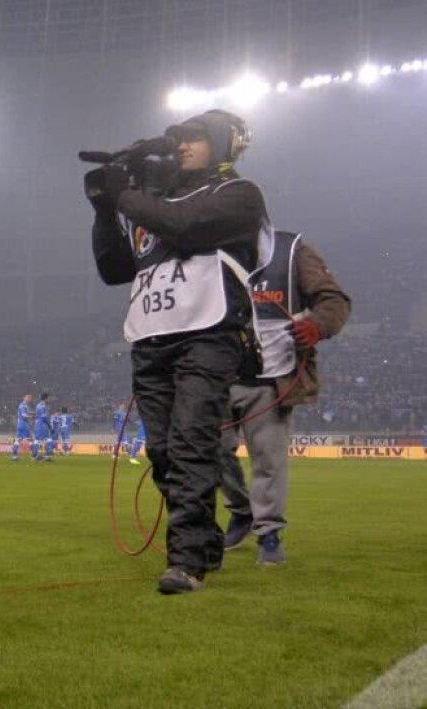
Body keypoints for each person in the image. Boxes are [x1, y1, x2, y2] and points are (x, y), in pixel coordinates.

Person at [86, 108, 271, 594]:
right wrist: (105, 209)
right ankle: (205, 544)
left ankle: (185, 562)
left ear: (223, 144)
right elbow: (113, 268)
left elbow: (186, 227)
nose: (184, 146)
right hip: (152, 341)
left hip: (208, 336)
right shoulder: (154, 207)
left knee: (190, 443)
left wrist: (126, 195)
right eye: (180, 139)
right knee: (163, 450)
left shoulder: (238, 195)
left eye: (195, 138)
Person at [219, 231, 351, 564]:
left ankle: (268, 534)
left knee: (269, 461)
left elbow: (334, 299)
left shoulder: (292, 250)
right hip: (216, 374)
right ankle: (241, 510)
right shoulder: (210, 249)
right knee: (209, 451)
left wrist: (318, 326)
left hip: (273, 379)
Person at [32, 392, 54, 461]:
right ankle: (47, 455)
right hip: (42, 424)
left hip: (37, 424)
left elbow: (37, 415)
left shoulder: (38, 405)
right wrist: (50, 426)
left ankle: (34, 456)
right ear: (46, 398)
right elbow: (44, 417)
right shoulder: (43, 406)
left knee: (37, 440)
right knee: (48, 439)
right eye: (49, 398)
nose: (50, 399)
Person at [11, 393, 33, 462]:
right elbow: (24, 415)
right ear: (25, 398)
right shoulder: (24, 406)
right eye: (29, 398)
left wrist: (31, 414)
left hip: (19, 424)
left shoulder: (21, 405)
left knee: (17, 440)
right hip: (24, 424)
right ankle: (34, 455)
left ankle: (14, 456)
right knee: (30, 440)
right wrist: (32, 417)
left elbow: (24, 414)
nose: (30, 400)